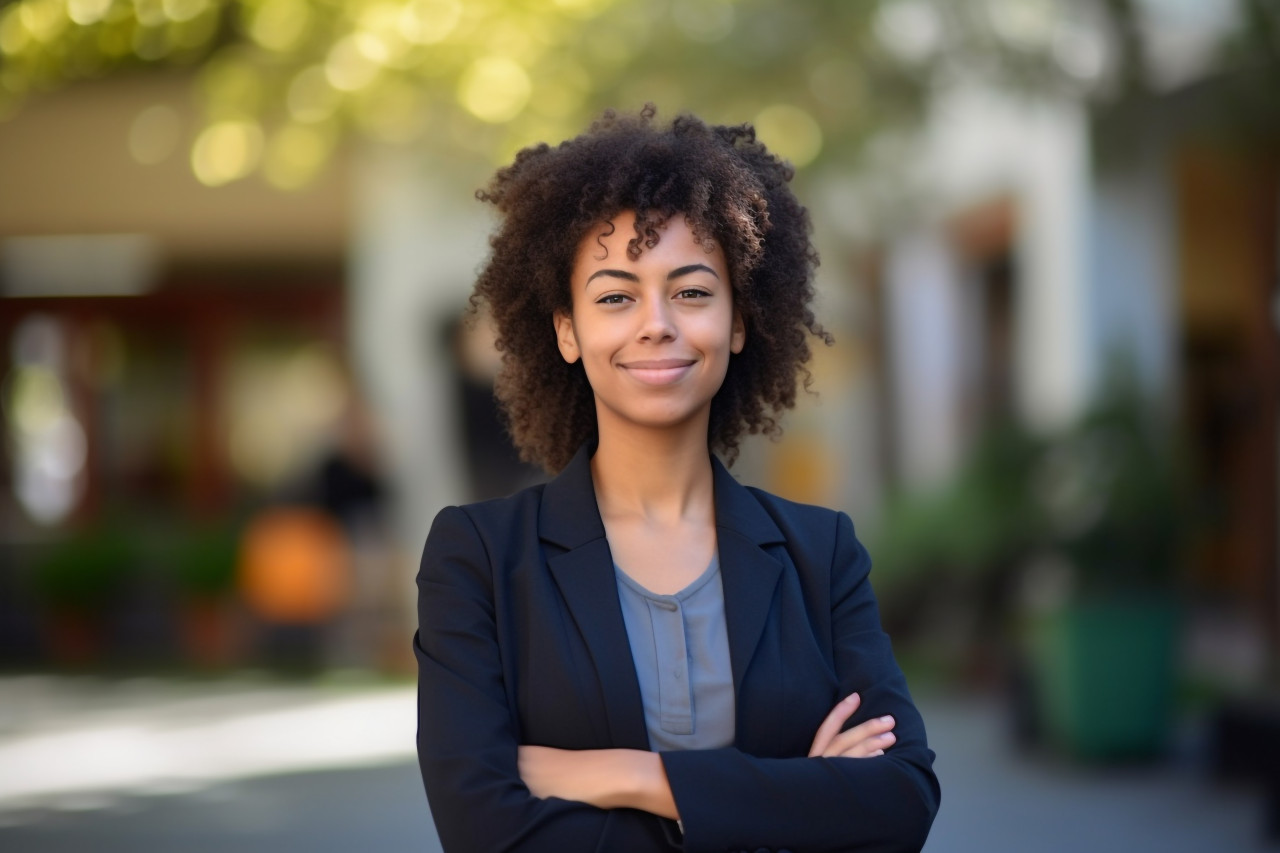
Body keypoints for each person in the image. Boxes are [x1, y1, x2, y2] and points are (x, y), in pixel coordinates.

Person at [414, 105, 940, 853]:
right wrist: (790, 801)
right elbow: (484, 829)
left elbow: (899, 801)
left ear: (737, 320)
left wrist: (633, 776)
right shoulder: (480, 558)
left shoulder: (820, 554)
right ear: (567, 329)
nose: (656, 322)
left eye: (692, 291)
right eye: (615, 296)